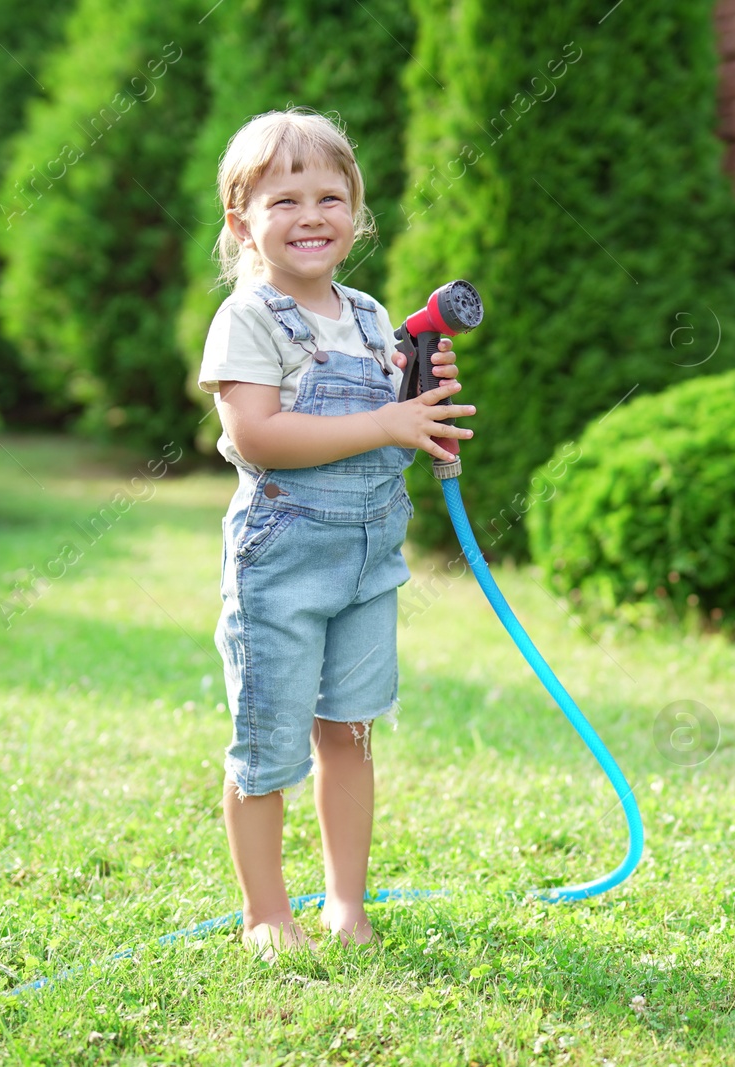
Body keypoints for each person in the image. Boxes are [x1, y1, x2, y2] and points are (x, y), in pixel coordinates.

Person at [196, 108, 477, 962]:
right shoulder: (249, 318)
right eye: (285, 200)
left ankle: (344, 902)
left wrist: (422, 399)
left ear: (357, 213)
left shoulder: (366, 313)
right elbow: (259, 436)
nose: (311, 214)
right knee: (268, 746)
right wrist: (387, 423)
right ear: (243, 224)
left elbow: (385, 414)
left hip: (368, 562)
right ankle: (265, 915)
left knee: (349, 731)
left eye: (330, 195)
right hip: (281, 564)